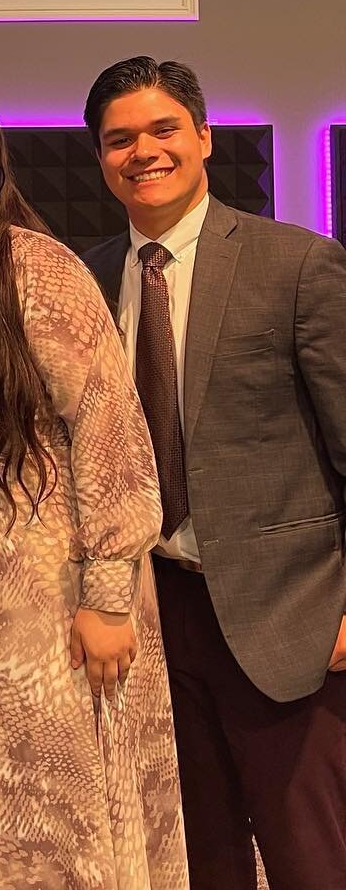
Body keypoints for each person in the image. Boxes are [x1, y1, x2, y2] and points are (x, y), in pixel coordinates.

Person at [0, 86, 188, 890]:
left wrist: (110, 591)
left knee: (57, 799)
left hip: (48, 577)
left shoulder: (36, 265)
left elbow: (107, 425)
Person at [82, 56, 346, 890]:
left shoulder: (296, 264)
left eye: (163, 130)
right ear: (99, 159)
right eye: (119, 139)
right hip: (154, 622)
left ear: (203, 137)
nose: (143, 152)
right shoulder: (85, 281)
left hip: (290, 619)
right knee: (195, 862)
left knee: (313, 856)